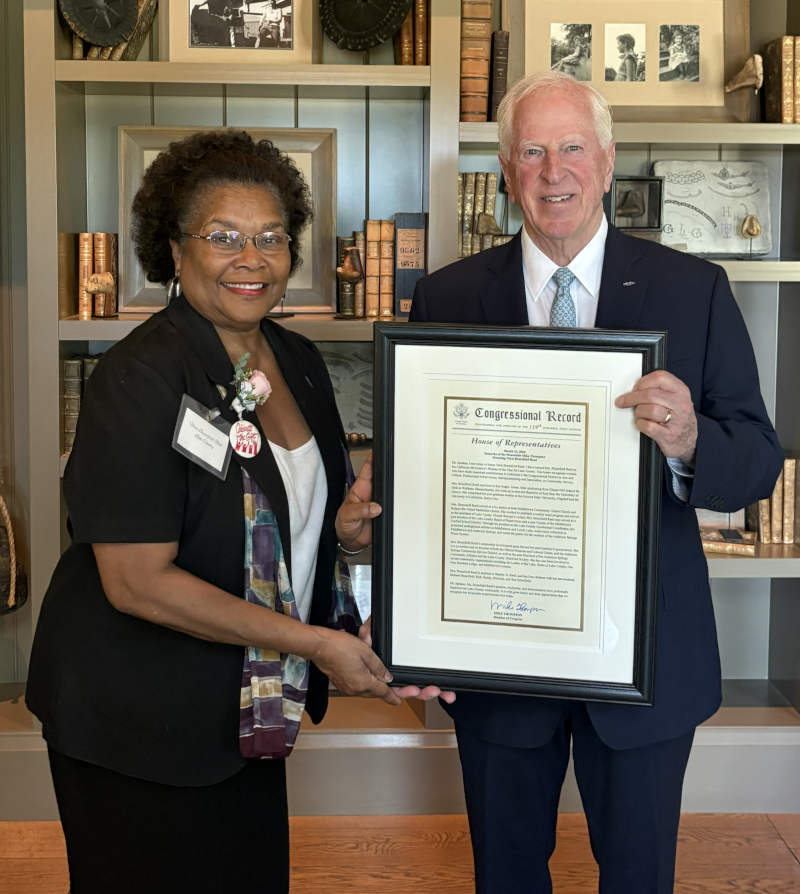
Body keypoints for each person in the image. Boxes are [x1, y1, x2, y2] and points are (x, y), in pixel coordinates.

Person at [26, 129, 450, 894]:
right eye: (222, 237)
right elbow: (136, 582)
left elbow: (283, 516)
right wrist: (314, 643)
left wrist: (344, 534)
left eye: (271, 237)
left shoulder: (298, 360)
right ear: (174, 251)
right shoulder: (137, 378)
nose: (250, 259)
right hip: (137, 718)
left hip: (247, 715)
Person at [409, 70, 783, 893]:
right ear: (505, 170)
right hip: (498, 653)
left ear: (608, 161)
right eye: (532, 152)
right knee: (506, 875)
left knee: (640, 877)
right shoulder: (448, 296)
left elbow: (758, 459)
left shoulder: (695, 290)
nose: (555, 171)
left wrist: (690, 440)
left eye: (573, 147)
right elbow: (424, 484)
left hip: (646, 659)